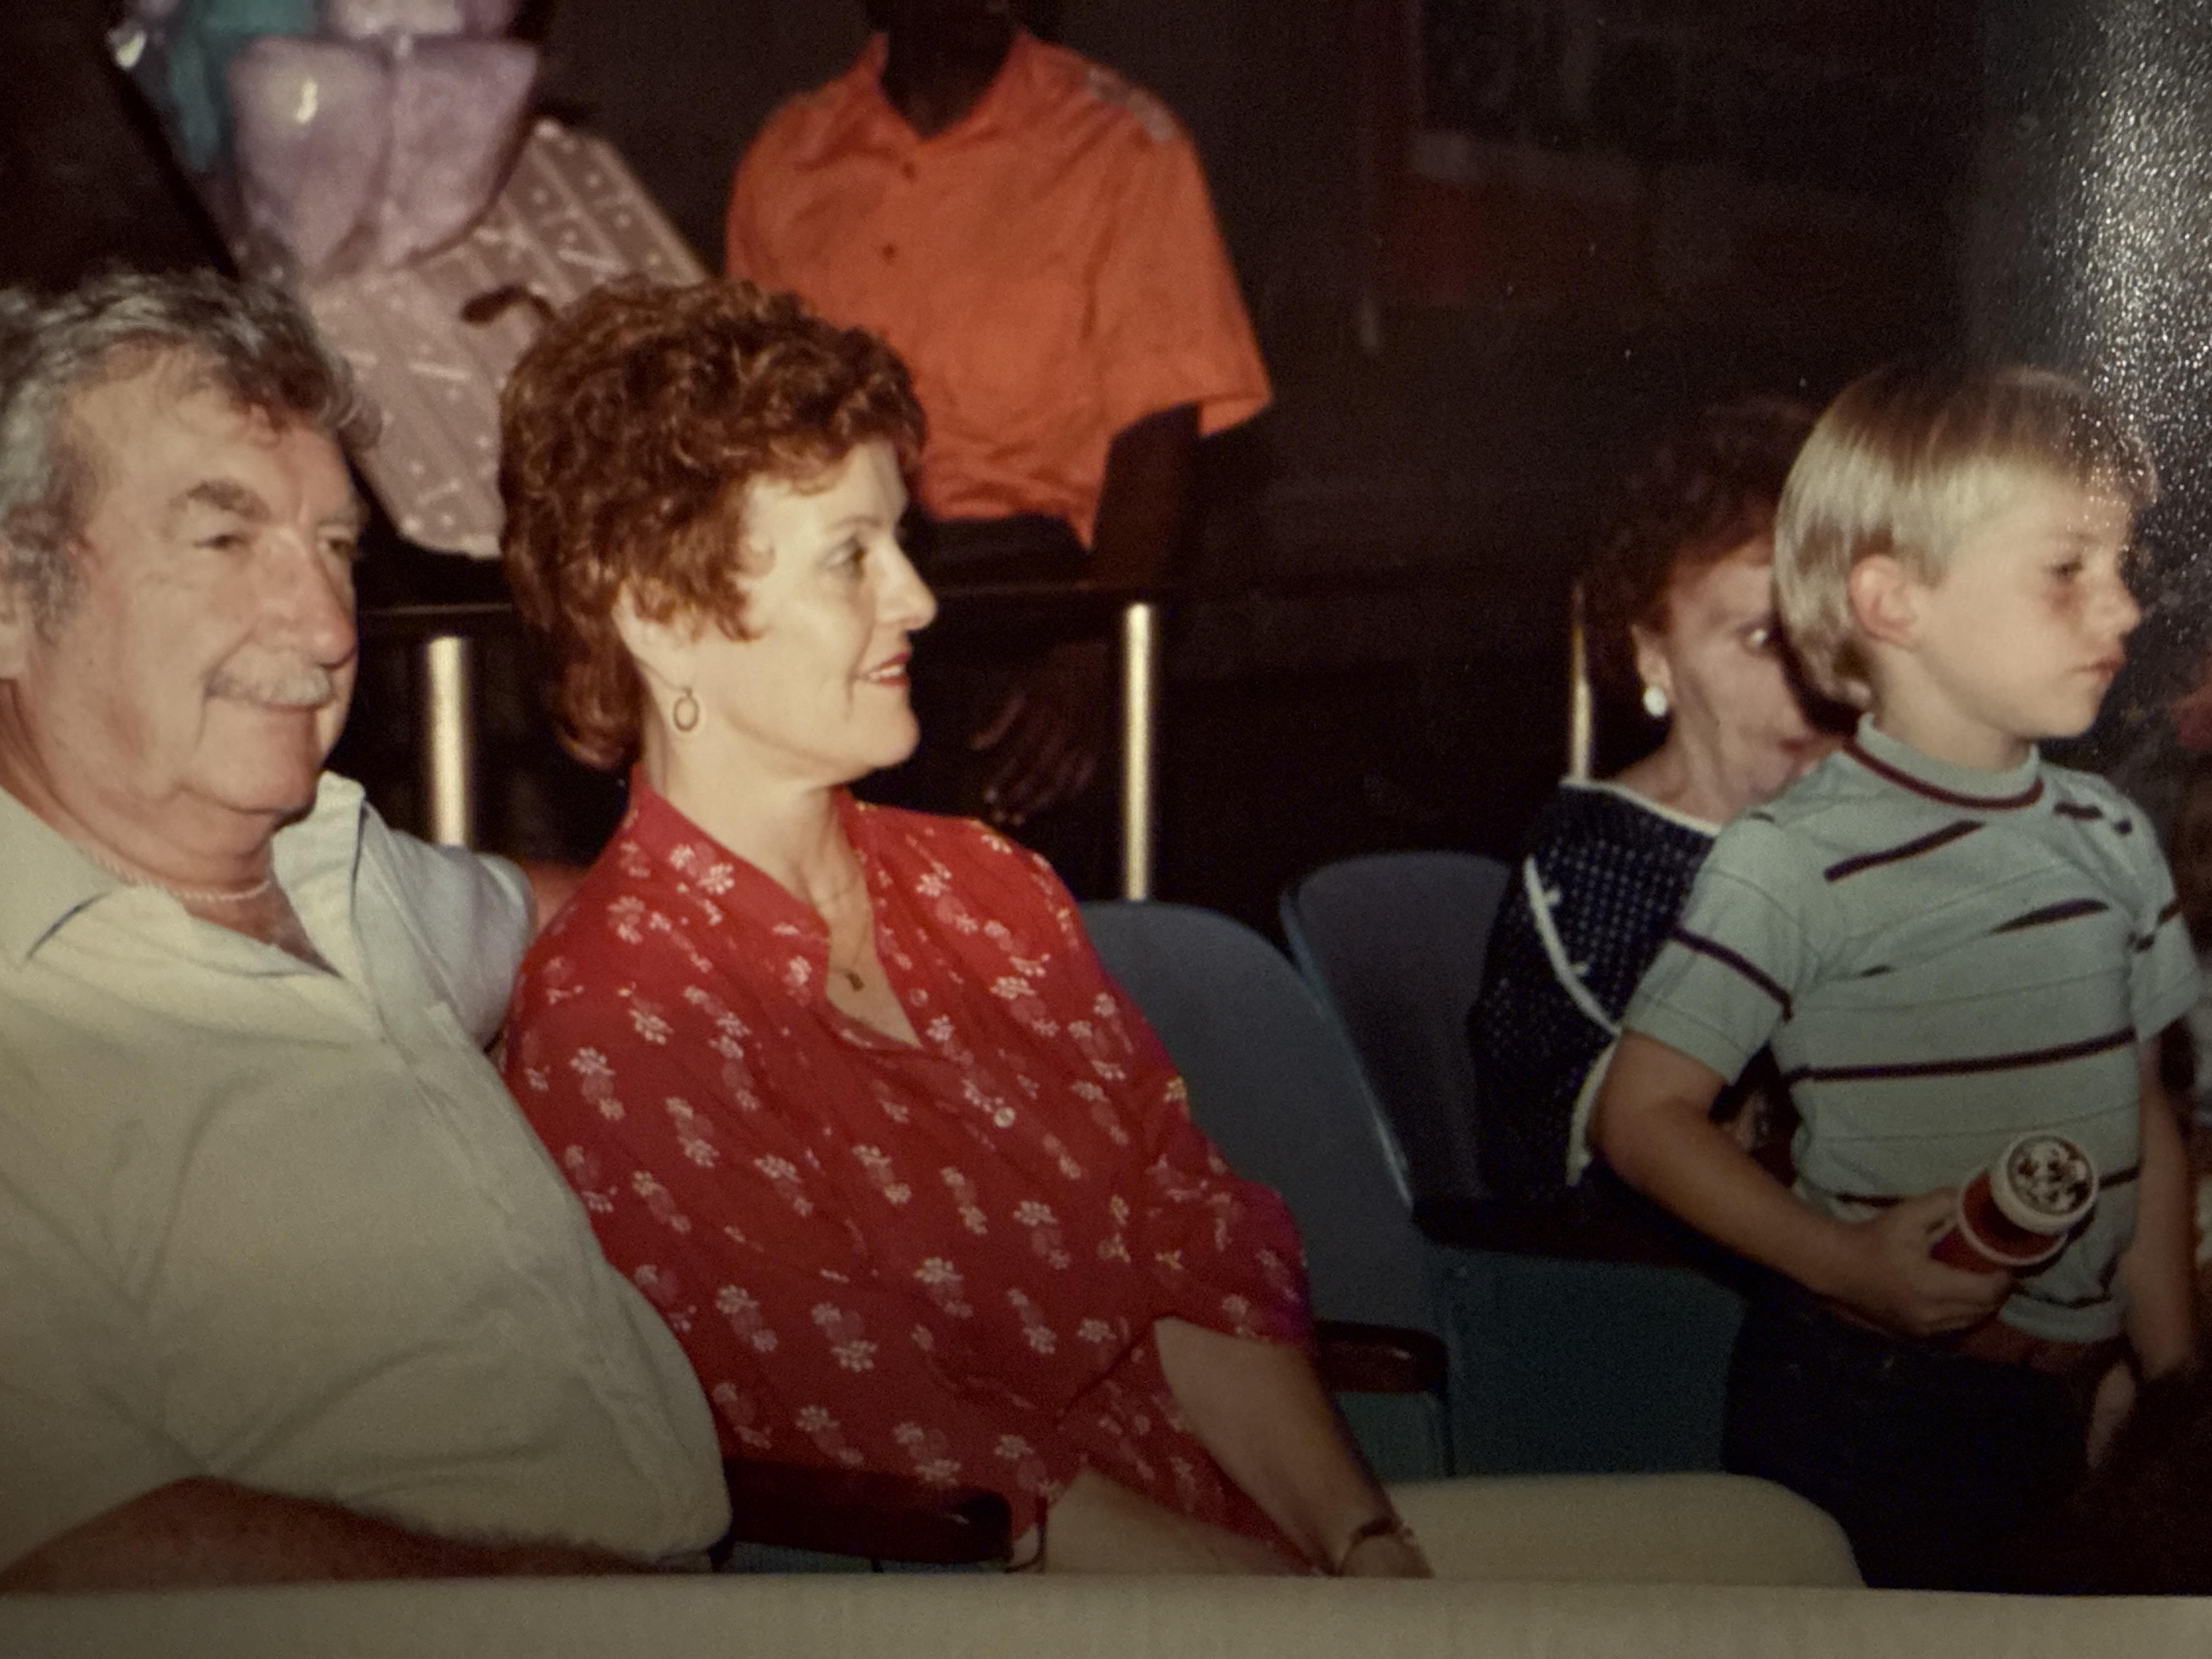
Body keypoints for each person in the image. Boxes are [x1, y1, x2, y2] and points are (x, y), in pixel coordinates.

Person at [494, 277, 1423, 1576]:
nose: (920, 601)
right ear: (660, 615)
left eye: (903, 543)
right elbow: (920, 1449)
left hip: (1253, 1566)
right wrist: (1280, 1618)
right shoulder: (619, 1022)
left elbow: (1192, 1252)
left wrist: (1363, 1545)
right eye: (850, 558)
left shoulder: (988, 888)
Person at [0, 270, 727, 1591]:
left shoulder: (343, 867)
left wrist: (907, 919)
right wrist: (551, 1610)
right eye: (224, 542)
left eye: (335, 548)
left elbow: (598, 919)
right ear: (10, 596)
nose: (330, 629)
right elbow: (76, 1551)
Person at [1593, 361, 2199, 1589]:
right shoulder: (1796, 857)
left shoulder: (2110, 836)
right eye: (2068, 571)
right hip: (1873, 1404)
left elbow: (2137, 1116)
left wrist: (2174, 1392)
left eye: (2122, 568)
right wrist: (1842, 1260)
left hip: (2072, 1401)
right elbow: (1642, 1116)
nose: (2124, 610)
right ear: (1894, 599)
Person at [724, 0, 1270, 881]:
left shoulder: (1121, 143)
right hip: (839, 612)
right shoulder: (790, 155)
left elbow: (1160, 430)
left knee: (1025, 952)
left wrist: (1097, 656)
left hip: (1040, 613)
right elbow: (752, 436)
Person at [1468, 398, 1830, 1203]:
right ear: (1654, 654)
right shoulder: (1596, 865)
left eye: (1833, 633)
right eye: (1763, 640)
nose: (1812, 682)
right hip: (1638, 1287)